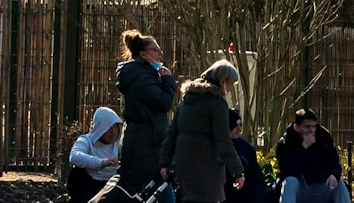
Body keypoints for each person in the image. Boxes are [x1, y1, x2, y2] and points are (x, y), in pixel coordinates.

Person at [160, 59, 246, 202]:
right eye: (231, 84)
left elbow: (172, 132)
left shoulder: (187, 100)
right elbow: (223, 140)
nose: (230, 88)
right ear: (223, 81)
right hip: (207, 165)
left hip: (183, 162)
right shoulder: (217, 103)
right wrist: (237, 171)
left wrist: (165, 162)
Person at [115, 30, 177, 193]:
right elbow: (164, 102)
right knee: (156, 190)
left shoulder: (139, 75)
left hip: (141, 141)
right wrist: (169, 81)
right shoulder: (143, 78)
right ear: (143, 55)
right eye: (155, 50)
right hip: (146, 144)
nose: (160, 53)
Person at [273, 109, 346, 203]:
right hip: (299, 190)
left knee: (339, 183)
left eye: (314, 126)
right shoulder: (285, 142)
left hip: (319, 187)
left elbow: (335, 163)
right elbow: (287, 170)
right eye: (307, 127)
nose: (311, 130)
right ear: (296, 127)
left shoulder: (324, 138)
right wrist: (303, 148)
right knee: (290, 181)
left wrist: (334, 175)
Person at [68, 106, 124, 203]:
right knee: (76, 174)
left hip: (112, 186)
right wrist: (101, 163)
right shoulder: (86, 140)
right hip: (90, 184)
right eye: (109, 128)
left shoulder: (120, 144)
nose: (113, 132)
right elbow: (74, 156)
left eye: (116, 127)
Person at [228, 110, 269, 203]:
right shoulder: (215, 147)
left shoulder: (246, 147)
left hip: (245, 190)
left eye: (240, 125)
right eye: (234, 126)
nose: (239, 129)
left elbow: (256, 172)